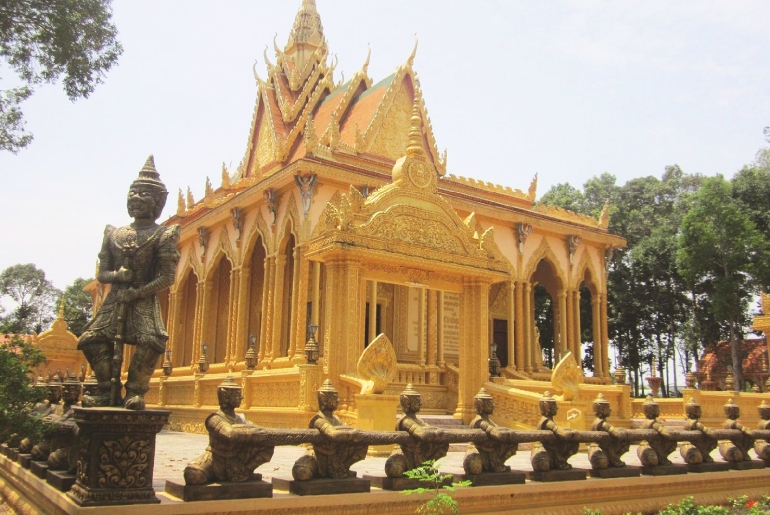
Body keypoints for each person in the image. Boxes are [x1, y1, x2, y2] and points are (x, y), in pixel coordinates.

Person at [78, 156, 180, 410]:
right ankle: (106, 389)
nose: (135, 198)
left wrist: (137, 292)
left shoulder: (163, 235)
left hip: (142, 296)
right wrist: (118, 277)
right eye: (132, 192)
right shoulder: (114, 234)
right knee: (90, 339)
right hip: (116, 296)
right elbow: (103, 273)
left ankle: (135, 391)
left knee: (151, 341)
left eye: (144, 194)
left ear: (158, 201)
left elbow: (167, 277)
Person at [184, 377, 275, 484]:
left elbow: (257, 430)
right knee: (193, 474)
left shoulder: (240, 419)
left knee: (268, 441)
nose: (241, 397)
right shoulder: (214, 418)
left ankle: (245, 471)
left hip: (237, 460)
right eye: (237, 395)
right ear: (226, 397)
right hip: (215, 459)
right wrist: (250, 431)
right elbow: (230, 434)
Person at [292, 380, 368, 481]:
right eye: (335, 397)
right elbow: (332, 434)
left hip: (335, 455)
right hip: (318, 456)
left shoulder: (336, 419)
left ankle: (343, 467)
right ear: (324, 399)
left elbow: (345, 428)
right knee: (301, 472)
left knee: (362, 444)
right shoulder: (318, 420)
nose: (338, 400)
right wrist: (352, 434)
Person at [385, 384, 448, 478]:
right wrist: (435, 432)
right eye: (417, 401)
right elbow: (422, 434)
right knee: (394, 470)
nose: (421, 403)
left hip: (420, 453)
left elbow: (427, 428)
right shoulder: (405, 421)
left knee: (443, 443)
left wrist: (437, 431)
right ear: (408, 402)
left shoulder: (419, 420)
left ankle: (426, 466)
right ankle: (421, 468)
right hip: (405, 454)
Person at [463, 388, 517, 475]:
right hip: (479, 453)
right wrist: (505, 434)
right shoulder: (479, 421)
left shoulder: (489, 420)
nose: (493, 406)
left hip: (490, 451)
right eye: (490, 403)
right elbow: (495, 433)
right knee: (475, 468)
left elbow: (497, 428)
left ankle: (498, 463)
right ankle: (495, 464)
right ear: (481, 405)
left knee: (512, 443)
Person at [530, 391, 578, 471]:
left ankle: (560, 461)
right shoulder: (547, 422)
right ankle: (559, 462)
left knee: (573, 443)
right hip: (542, 454)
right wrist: (574, 433)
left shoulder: (548, 421)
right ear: (547, 407)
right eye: (554, 405)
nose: (557, 407)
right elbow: (563, 433)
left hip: (551, 451)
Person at [587, 393, 628, 469]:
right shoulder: (603, 424)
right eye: (608, 407)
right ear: (601, 409)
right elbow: (617, 433)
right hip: (599, 451)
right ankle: (613, 458)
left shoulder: (595, 422)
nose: (610, 409)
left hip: (594, 450)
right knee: (625, 440)